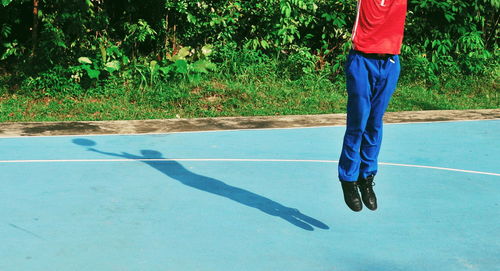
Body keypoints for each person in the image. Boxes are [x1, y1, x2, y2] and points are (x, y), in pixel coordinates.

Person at [338, 0, 408, 212]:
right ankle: (348, 179)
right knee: (358, 123)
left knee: (375, 123)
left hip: (390, 63)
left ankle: (366, 177)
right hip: (361, 60)